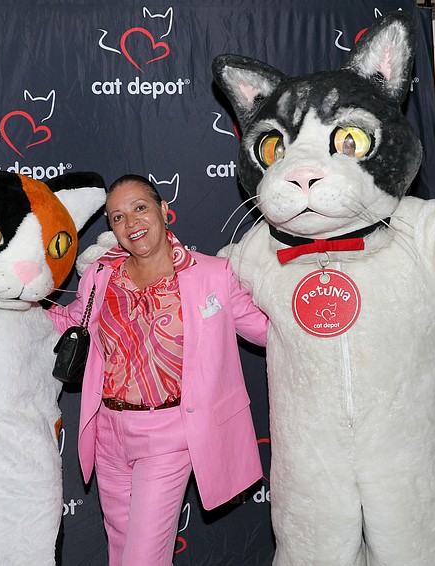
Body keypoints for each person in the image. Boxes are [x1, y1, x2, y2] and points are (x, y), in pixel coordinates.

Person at [47, 174, 269, 565]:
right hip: (108, 433)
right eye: (117, 217)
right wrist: (12, 304)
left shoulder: (214, 274)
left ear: (164, 211)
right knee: (120, 551)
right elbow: (70, 323)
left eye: (140, 208)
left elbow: (267, 330)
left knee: (142, 560)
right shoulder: (101, 275)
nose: (131, 223)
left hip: (169, 435)